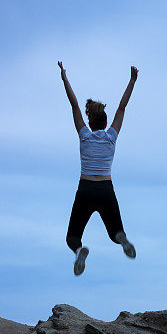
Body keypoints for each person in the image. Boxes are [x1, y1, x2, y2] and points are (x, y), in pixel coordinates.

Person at [58, 61, 138, 275]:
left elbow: (74, 106)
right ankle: (122, 240)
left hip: (85, 189)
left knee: (72, 237)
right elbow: (122, 107)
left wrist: (65, 79)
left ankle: (79, 250)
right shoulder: (111, 137)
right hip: (105, 189)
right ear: (104, 123)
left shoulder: (84, 136)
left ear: (91, 123)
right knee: (115, 232)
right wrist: (132, 81)